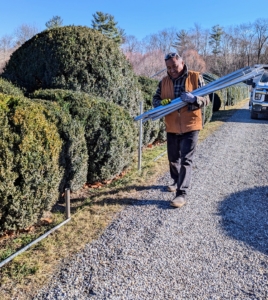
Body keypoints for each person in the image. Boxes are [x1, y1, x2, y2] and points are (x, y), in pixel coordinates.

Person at [153, 52, 209, 208]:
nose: (171, 70)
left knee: (186, 160)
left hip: (190, 125)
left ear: (182, 63)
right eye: (168, 67)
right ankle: (176, 180)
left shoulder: (195, 77)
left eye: (174, 66)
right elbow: (155, 99)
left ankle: (181, 193)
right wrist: (159, 104)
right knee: (173, 158)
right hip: (172, 125)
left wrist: (195, 99)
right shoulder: (163, 82)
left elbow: (207, 99)